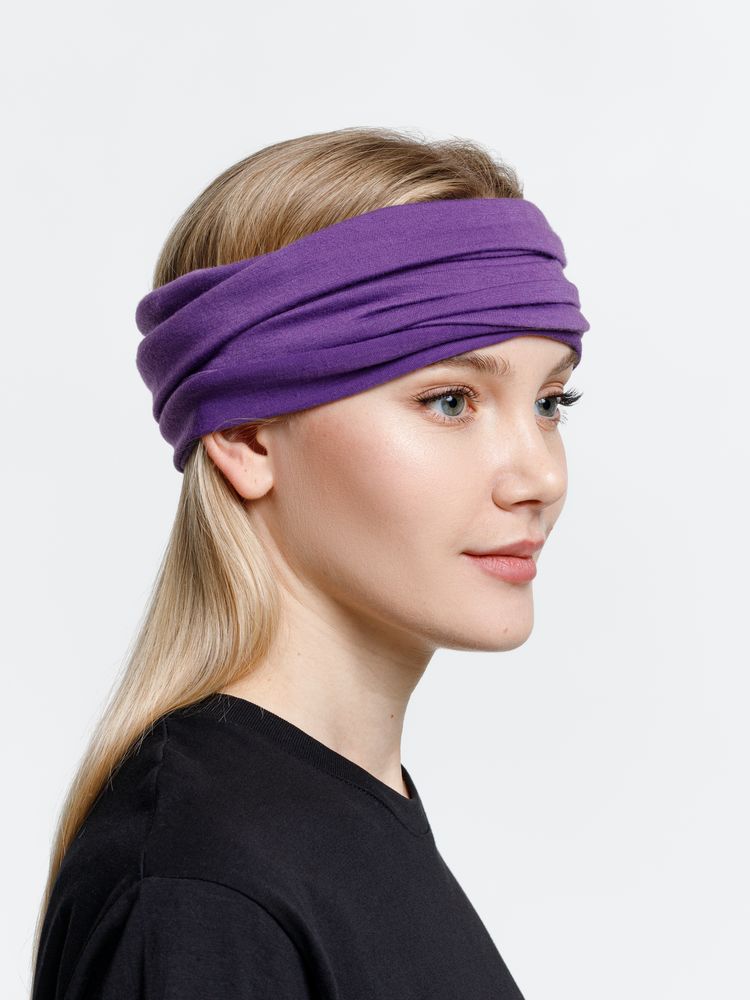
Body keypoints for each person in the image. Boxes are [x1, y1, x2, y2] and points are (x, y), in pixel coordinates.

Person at [29, 125, 589, 999]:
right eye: (450, 401)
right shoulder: (203, 889)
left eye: (552, 402)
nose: (541, 477)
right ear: (248, 438)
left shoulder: (328, 814)